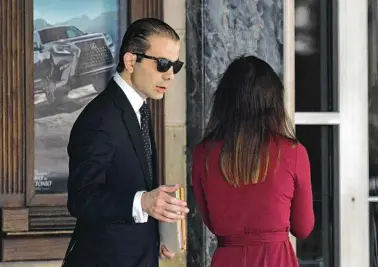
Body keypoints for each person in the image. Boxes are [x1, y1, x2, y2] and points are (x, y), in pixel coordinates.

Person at [62, 18, 189, 267]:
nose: (170, 75)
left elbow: (132, 185)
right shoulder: (100, 117)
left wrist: (156, 234)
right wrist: (143, 202)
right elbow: (81, 198)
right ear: (131, 61)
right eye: (163, 64)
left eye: (176, 65)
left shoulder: (140, 107)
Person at [191, 55, 314, 267]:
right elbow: (303, 227)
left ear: (223, 101)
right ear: (273, 102)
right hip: (276, 260)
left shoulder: (203, 152)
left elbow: (212, 223)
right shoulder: (293, 152)